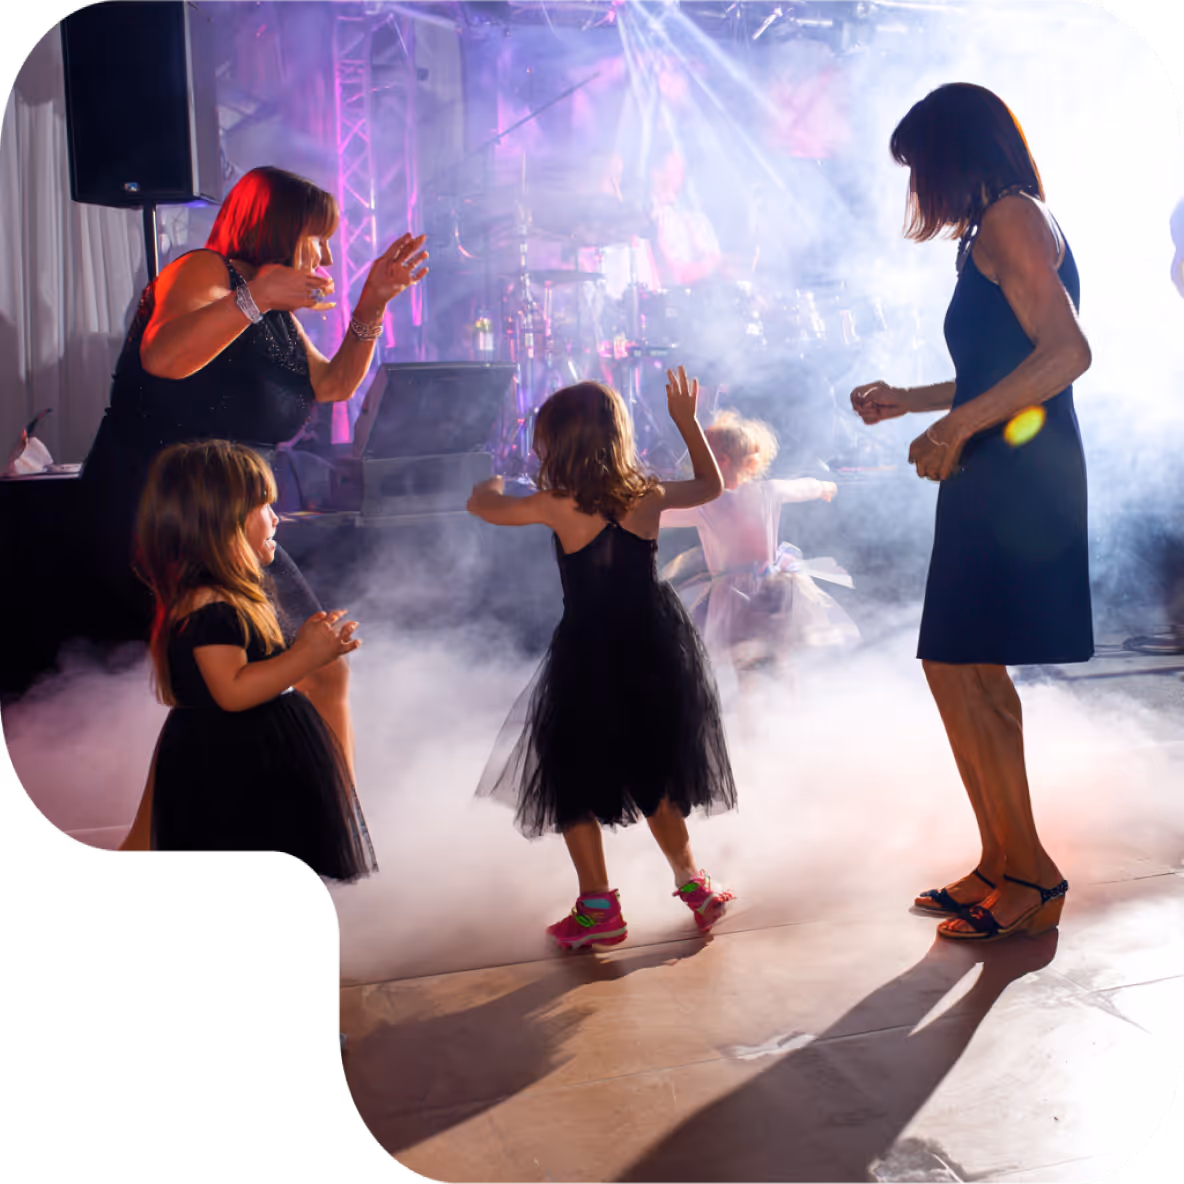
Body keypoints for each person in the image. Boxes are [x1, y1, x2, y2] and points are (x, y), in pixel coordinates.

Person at [80, 165, 427, 771]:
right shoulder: (202, 272)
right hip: (170, 516)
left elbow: (335, 384)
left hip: (239, 524)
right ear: (279, 228)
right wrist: (258, 296)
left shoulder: (275, 313)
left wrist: (371, 305)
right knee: (222, 693)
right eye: (316, 236)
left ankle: (332, 826)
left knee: (319, 670)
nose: (324, 253)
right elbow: (163, 357)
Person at [851, 84, 1091, 942]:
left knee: (967, 665)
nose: (916, 182)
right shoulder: (984, 232)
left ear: (958, 151)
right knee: (957, 667)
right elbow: (1002, 367)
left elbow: (1068, 354)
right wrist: (910, 400)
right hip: (994, 463)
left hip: (1020, 473)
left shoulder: (1014, 220)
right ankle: (1001, 861)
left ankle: (1032, 873)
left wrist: (953, 425)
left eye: (919, 162)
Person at [467, 368, 738, 950]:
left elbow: (485, 507)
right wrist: (688, 423)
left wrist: (487, 480)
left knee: (572, 775)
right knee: (654, 770)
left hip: (590, 653)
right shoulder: (649, 494)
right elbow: (710, 487)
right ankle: (695, 886)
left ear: (555, 445)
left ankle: (598, 909)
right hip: (654, 647)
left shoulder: (554, 504)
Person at [117, 439, 375, 880]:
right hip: (230, 766)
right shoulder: (209, 604)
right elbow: (233, 691)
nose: (277, 518)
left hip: (254, 756)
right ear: (222, 522)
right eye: (264, 506)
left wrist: (317, 652)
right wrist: (304, 656)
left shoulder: (231, 595)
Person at [660, 409, 858, 688]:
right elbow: (803, 487)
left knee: (749, 665)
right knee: (777, 658)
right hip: (774, 586)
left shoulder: (706, 504)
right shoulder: (768, 490)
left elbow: (661, 514)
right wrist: (826, 486)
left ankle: (758, 717)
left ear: (722, 461)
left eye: (700, 454)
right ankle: (786, 708)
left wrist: (625, 510)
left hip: (736, 598)